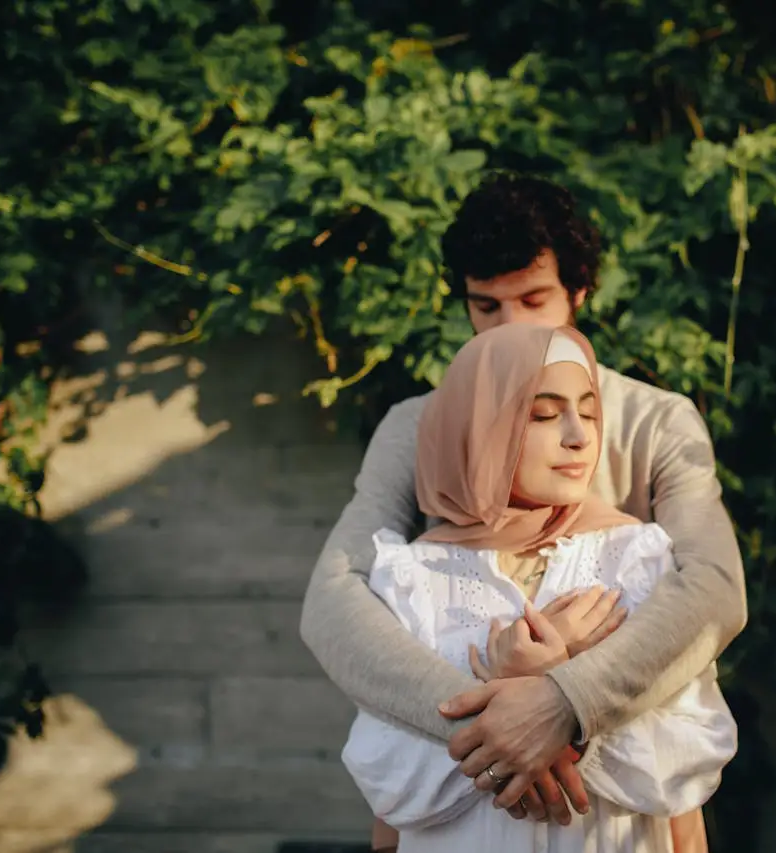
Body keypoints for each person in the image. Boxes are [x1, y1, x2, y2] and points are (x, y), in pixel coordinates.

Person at [299, 174, 747, 848]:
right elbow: (335, 598)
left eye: (533, 299)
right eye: (486, 306)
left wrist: (564, 700)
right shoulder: (420, 425)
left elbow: (712, 589)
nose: (510, 326)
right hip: (465, 789)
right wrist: (483, 724)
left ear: (579, 293)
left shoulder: (656, 421)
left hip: (621, 779)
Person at [341, 322, 737, 852]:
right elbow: (387, 778)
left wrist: (560, 694)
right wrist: (511, 697)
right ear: (482, 426)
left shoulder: (637, 559)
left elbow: (684, 759)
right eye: (545, 414)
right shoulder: (415, 577)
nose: (578, 434)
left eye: (590, 412)